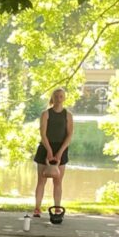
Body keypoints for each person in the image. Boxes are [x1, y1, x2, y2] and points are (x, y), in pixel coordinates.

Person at [33, 88, 74, 219]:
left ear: (64, 98)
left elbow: (69, 135)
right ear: (53, 98)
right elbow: (43, 134)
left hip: (61, 148)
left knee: (58, 181)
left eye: (61, 96)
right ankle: (37, 208)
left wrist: (60, 153)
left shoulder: (68, 115)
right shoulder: (46, 114)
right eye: (56, 96)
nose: (58, 98)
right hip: (46, 147)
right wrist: (49, 151)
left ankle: (57, 209)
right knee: (41, 180)